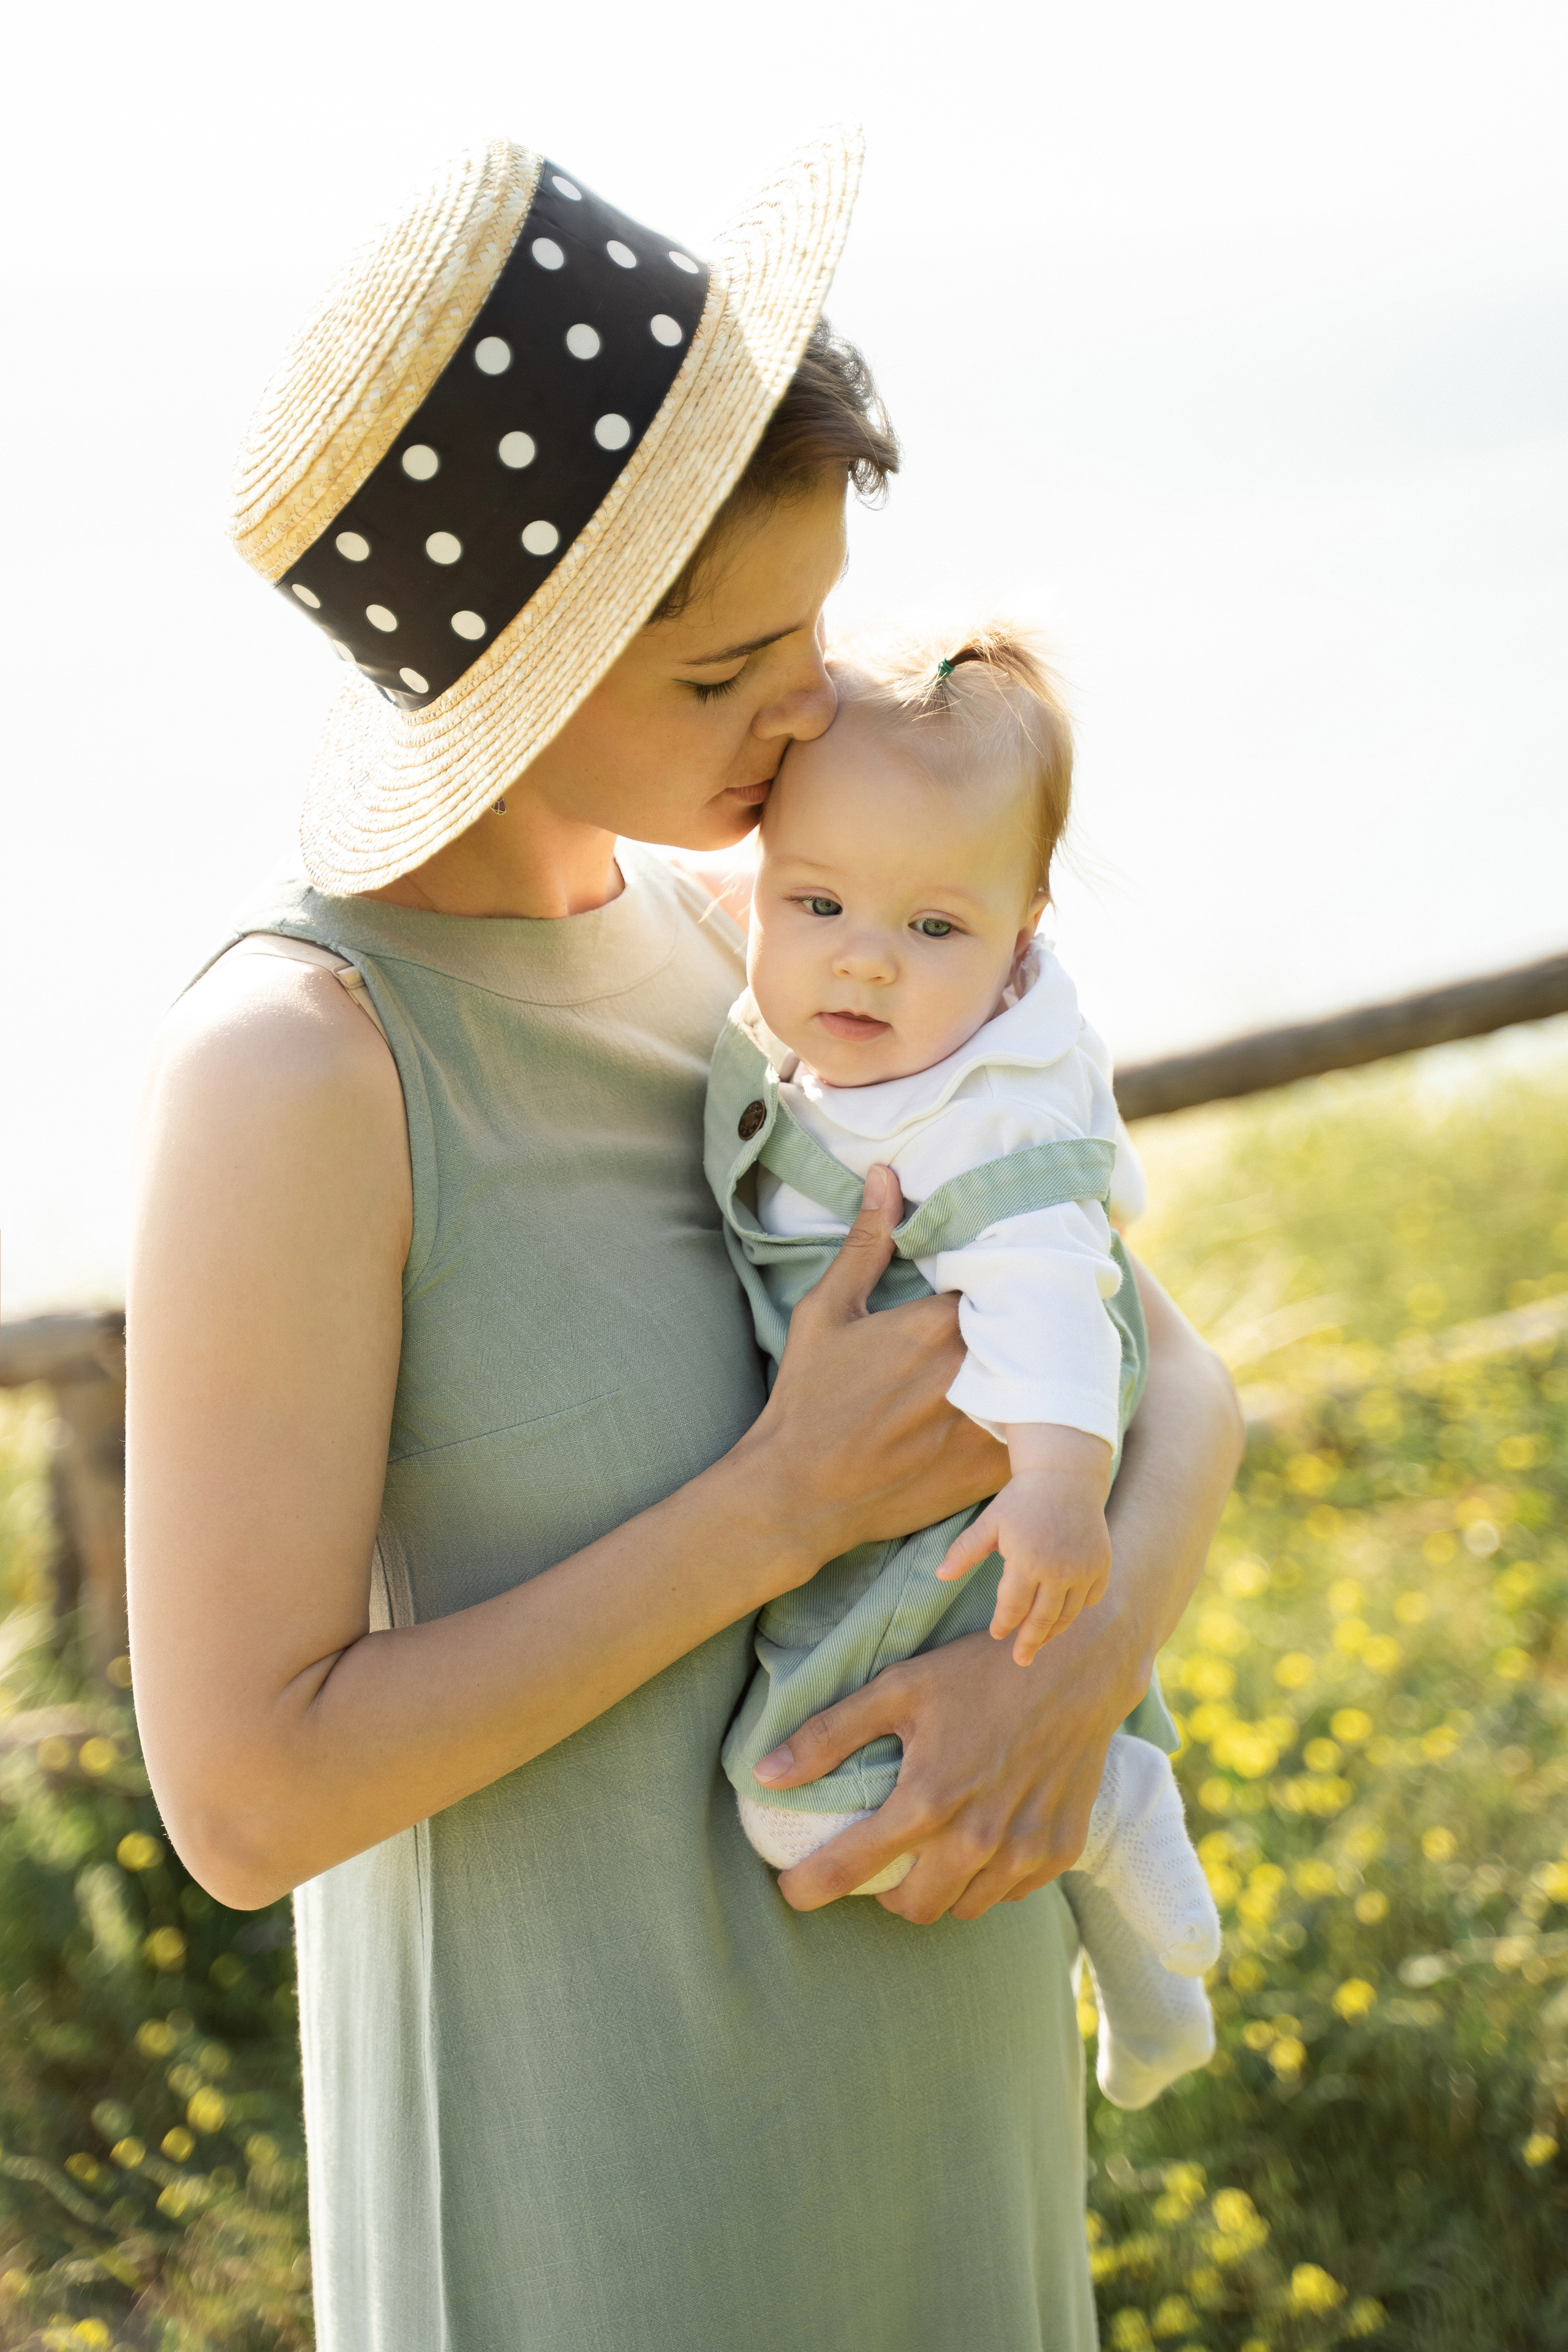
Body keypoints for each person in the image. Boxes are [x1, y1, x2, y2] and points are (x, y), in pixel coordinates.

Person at [126, 126, 1243, 2352]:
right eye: (736, 666)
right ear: (521, 671)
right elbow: (244, 1800)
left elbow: (1174, 1368)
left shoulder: (746, 937)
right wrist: (774, 1509)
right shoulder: (301, 1069)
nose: (819, 709)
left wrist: (1075, 1674)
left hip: (941, 2115)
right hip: (597, 2205)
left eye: (817, 621)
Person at [709, 624, 1221, 2109]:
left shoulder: (981, 1109)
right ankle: (1146, 1996)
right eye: (814, 901)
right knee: (981, 1734)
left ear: (1020, 930)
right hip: (929, 1451)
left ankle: (1120, 1797)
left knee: (802, 1804)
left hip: (982, 1462)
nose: (862, 957)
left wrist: (1061, 1484)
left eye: (934, 928)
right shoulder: (855, 1017)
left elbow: (1052, 1283)